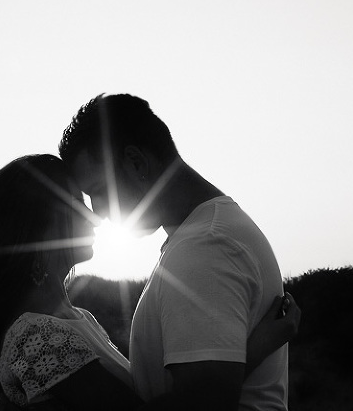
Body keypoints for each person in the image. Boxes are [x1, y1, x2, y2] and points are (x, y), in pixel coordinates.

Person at [0, 154, 299, 410]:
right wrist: (255, 348)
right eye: (76, 203)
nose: (93, 216)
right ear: (40, 225)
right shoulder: (36, 336)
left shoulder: (78, 319)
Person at [59, 93, 295, 411]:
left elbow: (205, 401)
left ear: (136, 162)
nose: (97, 212)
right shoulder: (205, 233)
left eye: (99, 191)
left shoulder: (204, 247)